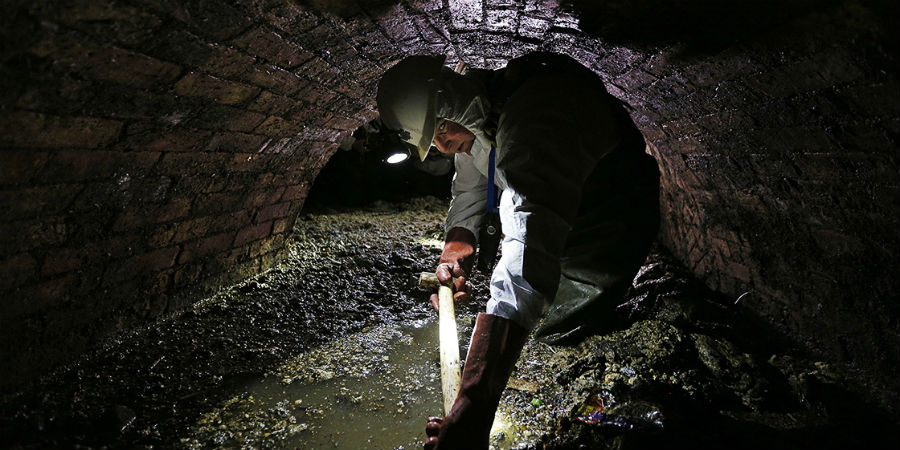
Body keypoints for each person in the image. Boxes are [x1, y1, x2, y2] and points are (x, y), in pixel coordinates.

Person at [376, 52, 660, 450]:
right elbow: (471, 184)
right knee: (524, 322)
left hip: (609, 214)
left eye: (440, 129)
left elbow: (525, 255)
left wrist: (472, 407)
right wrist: (456, 250)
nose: (441, 144)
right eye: (434, 141)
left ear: (453, 100)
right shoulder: (483, 115)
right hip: (561, 203)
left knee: (556, 333)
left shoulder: (534, 120)